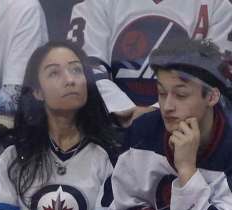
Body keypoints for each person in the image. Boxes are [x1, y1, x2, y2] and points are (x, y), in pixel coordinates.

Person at [0, 41, 119, 210]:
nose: (70, 80)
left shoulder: (108, 156)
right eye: (55, 73)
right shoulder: (13, 157)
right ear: (37, 91)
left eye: (77, 70)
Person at [109, 38, 232, 210]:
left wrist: (186, 170)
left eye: (181, 95)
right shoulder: (142, 133)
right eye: (162, 93)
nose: (167, 106)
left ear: (211, 96)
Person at [64, 0, 232, 127]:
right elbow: (83, 69)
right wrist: (123, 109)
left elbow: (216, 78)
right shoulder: (96, 3)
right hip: (110, 129)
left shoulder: (217, 5)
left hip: (187, 132)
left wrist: (156, 112)